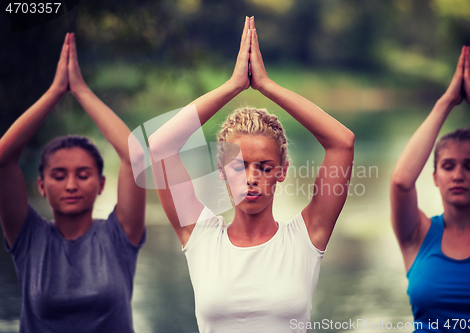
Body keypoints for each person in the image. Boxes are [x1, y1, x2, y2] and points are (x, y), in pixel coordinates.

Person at [148, 17, 354, 333]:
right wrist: (233, 86)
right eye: (238, 166)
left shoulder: (306, 238)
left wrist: (266, 86)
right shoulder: (200, 236)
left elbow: (342, 142)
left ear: (282, 172)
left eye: (264, 167)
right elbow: (159, 145)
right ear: (221, 172)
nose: (251, 177)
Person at [0, 33, 146, 333]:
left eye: (83, 175)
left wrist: (80, 90)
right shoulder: (29, 238)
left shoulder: (119, 237)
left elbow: (135, 156)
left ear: (101, 184)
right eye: (58, 175)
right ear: (41, 186)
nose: (70, 185)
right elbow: (3, 159)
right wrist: (55, 92)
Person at [390, 46, 470, 332]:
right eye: (449, 166)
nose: (459, 175)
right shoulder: (417, 234)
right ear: (435, 176)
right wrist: (446, 101)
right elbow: (401, 181)